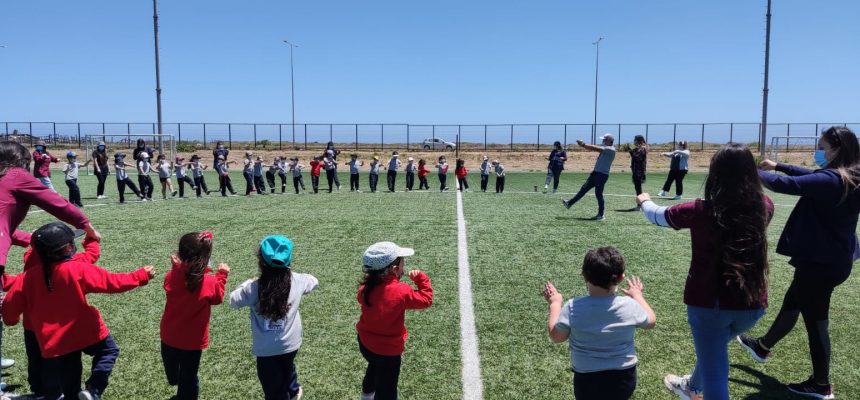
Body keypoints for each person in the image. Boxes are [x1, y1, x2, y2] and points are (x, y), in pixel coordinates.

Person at [637, 143, 773, 400]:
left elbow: (657, 216)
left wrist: (644, 201)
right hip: (753, 304)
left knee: (716, 375)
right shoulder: (765, 205)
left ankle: (696, 387)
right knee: (714, 350)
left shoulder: (701, 209)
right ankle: (691, 387)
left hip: (710, 304)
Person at [737, 126, 860, 399]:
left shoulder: (833, 180)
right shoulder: (850, 175)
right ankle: (763, 347)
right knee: (794, 300)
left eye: (822, 146)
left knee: (816, 323)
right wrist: (778, 164)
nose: (819, 151)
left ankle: (820, 384)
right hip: (834, 260)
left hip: (820, 263)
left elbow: (789, 185)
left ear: (836, 149)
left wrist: (743, 168)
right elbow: (812, 176)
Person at [2, 221, 155, 400]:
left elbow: (9, 309)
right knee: (108, 351)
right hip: (86, 331)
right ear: (68, 247)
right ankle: (93, 388)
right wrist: (141, 275)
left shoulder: (27, 278)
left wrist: (12, 320)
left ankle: (78, 394)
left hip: (55, 343)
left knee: (70, 386)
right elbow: (113, 282)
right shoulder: (77, 267)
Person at [0, 141, 102, 389]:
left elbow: (5, 227)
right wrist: (85, 224)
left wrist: (30, 240)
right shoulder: (15, 176)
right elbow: (55, 202)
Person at [543, 247, 656, 400]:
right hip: (624, 378)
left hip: (588, 380)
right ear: (621, 277)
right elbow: (650, 321)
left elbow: (556, 337)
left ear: (584, 276)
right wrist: (637, 296)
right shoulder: (630, 305)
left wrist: (555, 303)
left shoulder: (573, 307)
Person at [230, 235, 318, 400]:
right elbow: (314, 281)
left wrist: (247, 282)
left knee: (273, 389)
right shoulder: (298, 281)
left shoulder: (253, 288)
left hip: (265, 349)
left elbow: (233, 300)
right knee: (287, 365)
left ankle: (289, 392)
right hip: (291, 343)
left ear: (260, 261)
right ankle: (293, 390)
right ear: (289, 260)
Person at [357, 242, 433, 400]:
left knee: (374, 365)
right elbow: (426, 300)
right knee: (387, 390)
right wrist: (421, 279)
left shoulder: (364, 289)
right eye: (402, 261)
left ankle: (366, 395)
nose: (404, 265)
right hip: (388, 351)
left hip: (365, 343)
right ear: (394, 269)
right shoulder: (401, 291)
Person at [160, 231, 230, 400]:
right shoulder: (210, 281)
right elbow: (217, 298)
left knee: (174, 374)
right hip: (193, 342)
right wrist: (222, 275)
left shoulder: (172, 276)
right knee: (189, 376)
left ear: (180, 254)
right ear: (205, 257)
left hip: (169, 337)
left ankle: (177, 384)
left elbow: (174, 284)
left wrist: (177, 268)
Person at [561, 134, 617, 220]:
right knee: (583, 189)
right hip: (595, 173)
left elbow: (594, 148)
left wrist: (583, 144)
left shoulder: (611, 149)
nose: (602, 141)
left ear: (609, 141)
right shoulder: (606, 149)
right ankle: (569, 203)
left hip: (602, 175)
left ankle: (601, 215)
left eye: (604, 140)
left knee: (598, 194)